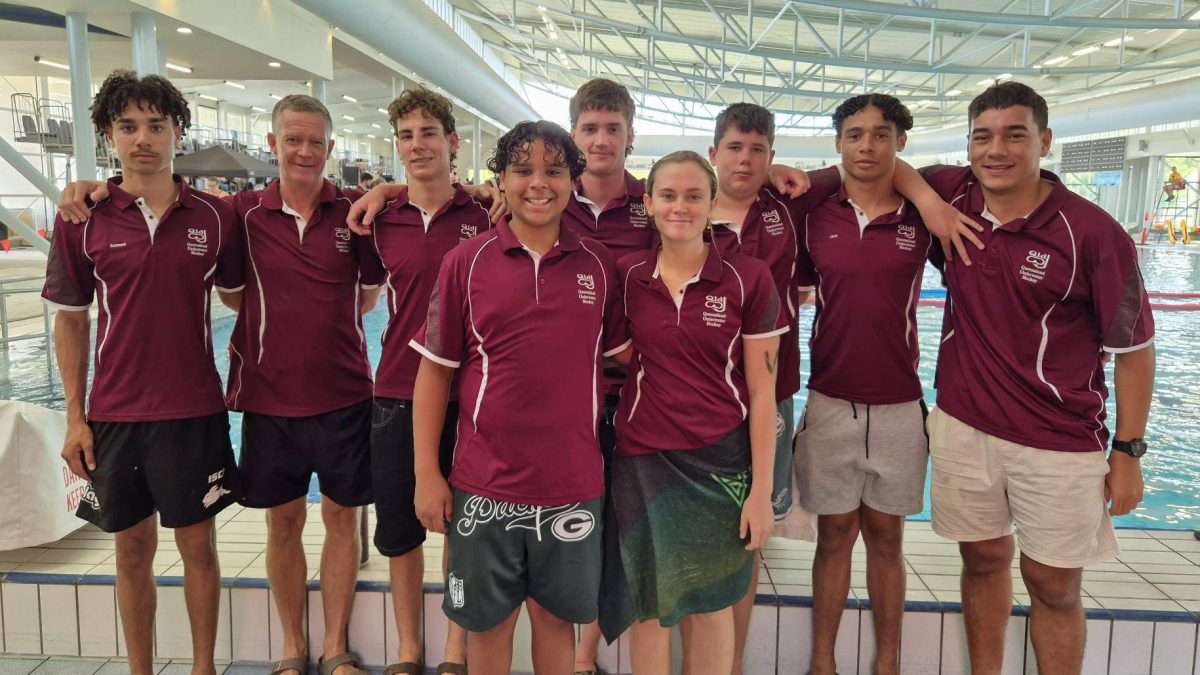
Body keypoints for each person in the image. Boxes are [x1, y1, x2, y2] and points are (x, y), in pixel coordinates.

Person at [916, 81, 1155, 674]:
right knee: (983, 560)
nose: (997, 150)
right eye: (983, 137)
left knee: (1052, 584)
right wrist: (930, 205)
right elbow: (895, 166)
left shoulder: (1093, 233)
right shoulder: (956, 195)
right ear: (968, 145)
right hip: (965, 424)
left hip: (1058, 440)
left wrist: (1128, 449)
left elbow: (1135, 350)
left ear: (1044, 142)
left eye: (1015, 135)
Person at [43, 69, 244, 675]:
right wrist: (76, 419)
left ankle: (204, 667)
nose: (144, 139)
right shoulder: (84, 219)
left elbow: (239, 294)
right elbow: (72, 321)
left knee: (199, 548)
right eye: (128, 126)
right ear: (109, 134)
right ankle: (140, 670)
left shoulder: (215, 216)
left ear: (178, 132)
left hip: (193, 411)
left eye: (157, 125)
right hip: (116, 414)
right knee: (131, 550)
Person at [411, 120, 630, 675]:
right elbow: (434, 375)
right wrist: (427, 476)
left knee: (557, 622)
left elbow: (626, 359)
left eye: (555, 171)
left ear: (572, 182)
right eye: (523, 170)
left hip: (572, 485)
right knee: (489, 628)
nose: (539, 183)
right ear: (501, 180)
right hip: (485, 483)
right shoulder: (468, 262)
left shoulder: (599, 266)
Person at [598, 150, 783, 674]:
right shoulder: (626, 274)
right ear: (650, 204)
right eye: (669, 195)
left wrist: (762, 495)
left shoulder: (749, 278)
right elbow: (623, 353)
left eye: (693, 195)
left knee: (711, 604)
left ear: (712, 202)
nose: (681, 207)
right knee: (649, 605)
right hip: (644, 459)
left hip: (721, 463)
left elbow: (762, 393)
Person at [792, 94, 932, 675]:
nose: (867, 146)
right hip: (829, 400)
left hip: (900, 404)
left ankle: (888, 662)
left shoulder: (923, 217)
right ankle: (822, 661)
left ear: (900, 143)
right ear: (839, 144)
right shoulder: (814, 217)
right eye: (855, 135)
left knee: (887, 539)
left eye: (880, 134)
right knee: (834, 537)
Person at [358, 86, 489, 675]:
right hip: (397, 392)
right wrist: (381, 191)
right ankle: (410, 650)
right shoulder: (380, 219)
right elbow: (363, 297)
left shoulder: (488, 213)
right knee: (401, 531)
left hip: (471, 396)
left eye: (428, 133)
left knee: (463, 529)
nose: (417, 146)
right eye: (406, 136)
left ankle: (457, 651)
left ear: (452, 142)